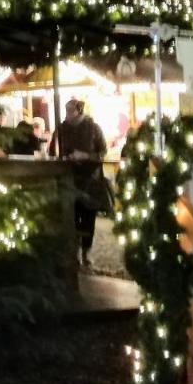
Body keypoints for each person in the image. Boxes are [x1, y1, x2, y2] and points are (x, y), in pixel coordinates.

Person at [49, 98, 108, 267]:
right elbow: (53, 151)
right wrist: (64, 158)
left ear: (79, 110)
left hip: (90, 179)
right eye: (66, 110)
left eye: (70, 110)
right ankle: (73, 251)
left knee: (88, 217)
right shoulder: (61, 129)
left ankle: (86, 251)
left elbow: (103, 152)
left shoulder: (93, 129)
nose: (67, 113)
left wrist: (86, 156)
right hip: (69, 178)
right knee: (71, 217)